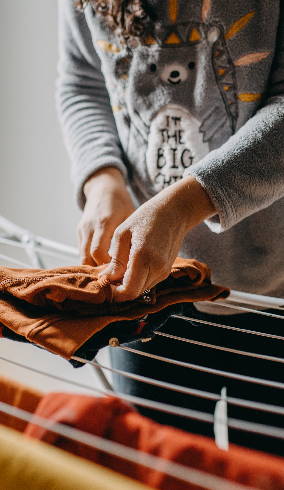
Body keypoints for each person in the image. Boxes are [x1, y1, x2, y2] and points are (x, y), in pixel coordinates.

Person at [57, 0, 284, 455]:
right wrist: (103, 178)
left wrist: (182, 207)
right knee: (158, 471)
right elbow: (82, 80)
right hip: (148, 297)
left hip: (273, 294)